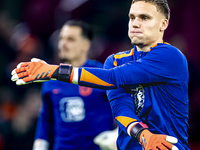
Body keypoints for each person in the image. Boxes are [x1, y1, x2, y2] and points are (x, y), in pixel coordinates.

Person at [11, 0, 190, 150]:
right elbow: (121, 106)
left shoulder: (170, 56)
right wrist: (143, 136)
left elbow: (112, 78)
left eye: (145, 18)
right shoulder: (114, 60)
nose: (135, 23)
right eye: (132, 17)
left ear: (163, 24)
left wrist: (54, 71)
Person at [29, 20, 117, 150]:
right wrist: (40, 145)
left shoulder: (101, 74)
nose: (63, 44)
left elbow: (125, 107)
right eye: (61, 39)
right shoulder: (51, 79)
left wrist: (116, 134)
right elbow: (46, 118)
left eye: (70, 39)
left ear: (85, 45)